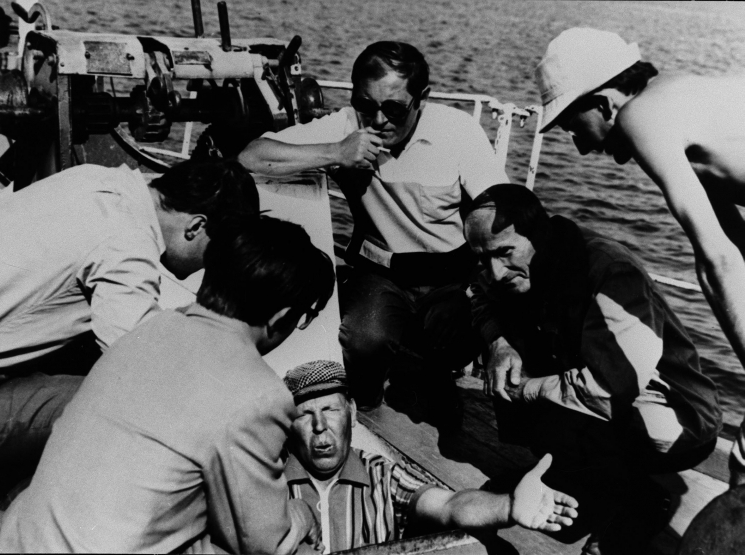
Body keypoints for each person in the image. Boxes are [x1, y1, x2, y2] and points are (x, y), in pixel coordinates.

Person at [0, 215, 335, 553]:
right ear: (280, 317)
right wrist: (302, 514)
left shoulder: (150, 328)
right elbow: (265, 544)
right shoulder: (261, 394)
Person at [239, 41, 508, 420]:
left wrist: (496, 323)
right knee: (362, 340)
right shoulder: (347, 126)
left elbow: (501, 213)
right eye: (366, 105)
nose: (379, 120)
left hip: (449, 278)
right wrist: (335, 151)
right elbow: (252, 155)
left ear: (422, 99)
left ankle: (435, 373)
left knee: (457, 340)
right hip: (382, 274)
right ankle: (366, 406)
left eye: (394, 108)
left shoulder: (457, 131)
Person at [534, 26, 745, 487]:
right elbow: (737, 244)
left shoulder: (640, 117)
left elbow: (718, 262)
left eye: (573, 127)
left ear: (606, 103)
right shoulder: (679, 103)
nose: (582, 148)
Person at [464, 184, 722, 554]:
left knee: (574, 402)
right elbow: (477, 294)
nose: (496, 271)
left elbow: (611, 386)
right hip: (596, 389)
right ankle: (577, 475)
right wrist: (498, 343)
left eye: (505, 253)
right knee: (517, 368)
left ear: (538, 233)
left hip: (678, 415)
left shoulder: (610, 270)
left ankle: (640, 500)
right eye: (483, 258)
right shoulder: (516, 263)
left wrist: (528, 389)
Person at [0, 159, 259, 499]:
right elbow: (139, 370)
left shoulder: (97, 179)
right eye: (213, 255)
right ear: (196, 226)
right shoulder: (128, 245)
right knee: (128, 407)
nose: (204, 270)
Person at [281, 359, 578, 553]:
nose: (320, 426)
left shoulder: (381, 474)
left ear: (352, 413)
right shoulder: (270, 483)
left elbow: (448, 505)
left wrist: (508, 505)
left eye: (330, 409)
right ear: (288, 424)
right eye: (305, 414)